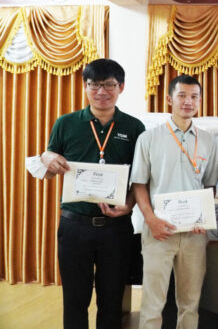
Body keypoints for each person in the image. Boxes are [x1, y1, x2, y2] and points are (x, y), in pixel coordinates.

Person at [40, 59, 145, 328]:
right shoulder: (65, 123)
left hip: (116, 228)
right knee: (75, 298)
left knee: (112, 299)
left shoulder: (134, 128)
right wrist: (46, 156)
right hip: (74, 226)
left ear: (121, 87)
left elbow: (141, 179)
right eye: (94, 84)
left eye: (109, 85)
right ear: (85, 86)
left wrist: (129, 205)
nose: (101, 91)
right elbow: (49, 165)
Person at [130, 74, 218, 329]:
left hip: (194, 235)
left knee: (190, 303)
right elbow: (139, 184)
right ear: (170, 99)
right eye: (182, 95)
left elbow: (209, 184)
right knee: (153, 303)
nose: (188, 101)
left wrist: (203, 217)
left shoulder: (208, 140)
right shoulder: (149, 138)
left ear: (200, 101)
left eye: (194, 97)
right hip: (158, 231)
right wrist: (151, 220)